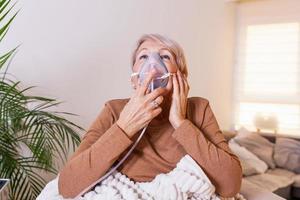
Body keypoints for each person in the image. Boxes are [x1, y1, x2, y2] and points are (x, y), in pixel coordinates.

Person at [58, 34, 242, 199]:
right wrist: (125, 127)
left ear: (181, 75)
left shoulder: (199, 108)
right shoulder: (114, 110)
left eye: (165, 56)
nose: (153, 65)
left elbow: (231, 186)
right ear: (133, 78)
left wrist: (181, 122)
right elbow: (67, 186)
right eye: (144, 56)